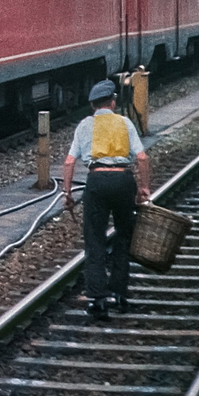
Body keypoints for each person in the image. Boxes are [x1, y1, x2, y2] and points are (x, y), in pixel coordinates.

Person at [63, 79, 151, 320]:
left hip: (97, 182)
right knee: (124, 236)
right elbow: (142, 158)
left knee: (95, 239)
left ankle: (98, 298)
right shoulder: (124, 122)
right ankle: (120, 294)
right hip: (123, 181)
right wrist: (143, 188)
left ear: (93, 105)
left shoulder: (84, 126)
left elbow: (70, 161)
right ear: (113, 102)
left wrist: (67, 194)